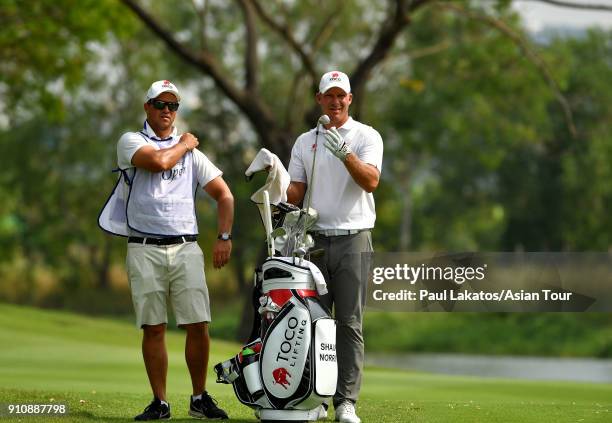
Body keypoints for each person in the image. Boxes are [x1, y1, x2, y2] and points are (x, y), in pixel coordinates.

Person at [109, 80, 233, 421]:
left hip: (185, 247)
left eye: (173, 106)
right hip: (144, 247)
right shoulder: (131, 141)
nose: (167, 111)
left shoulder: (191, 153)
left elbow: (225, 195)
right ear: (147, 107)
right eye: (161, 105)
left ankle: (198, 397)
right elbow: (159, 163)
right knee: (154, 327)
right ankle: (160, 402)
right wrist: (186, 142)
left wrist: (224, 236)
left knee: (198, 324)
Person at [286, 71, 383, 423]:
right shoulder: (303, 142)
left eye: (342, 96)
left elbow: (370, 181)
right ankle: (317, 400)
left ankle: (346, 403)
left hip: (354, 237)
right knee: (314, 323)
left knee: (350, 323)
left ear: (350, 100)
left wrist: (345, 154)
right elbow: (295, 192)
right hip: (313, 240)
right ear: (319, 99)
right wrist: (276, 184)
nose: (336, 101)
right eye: (330, 95)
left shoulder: (366, 136)